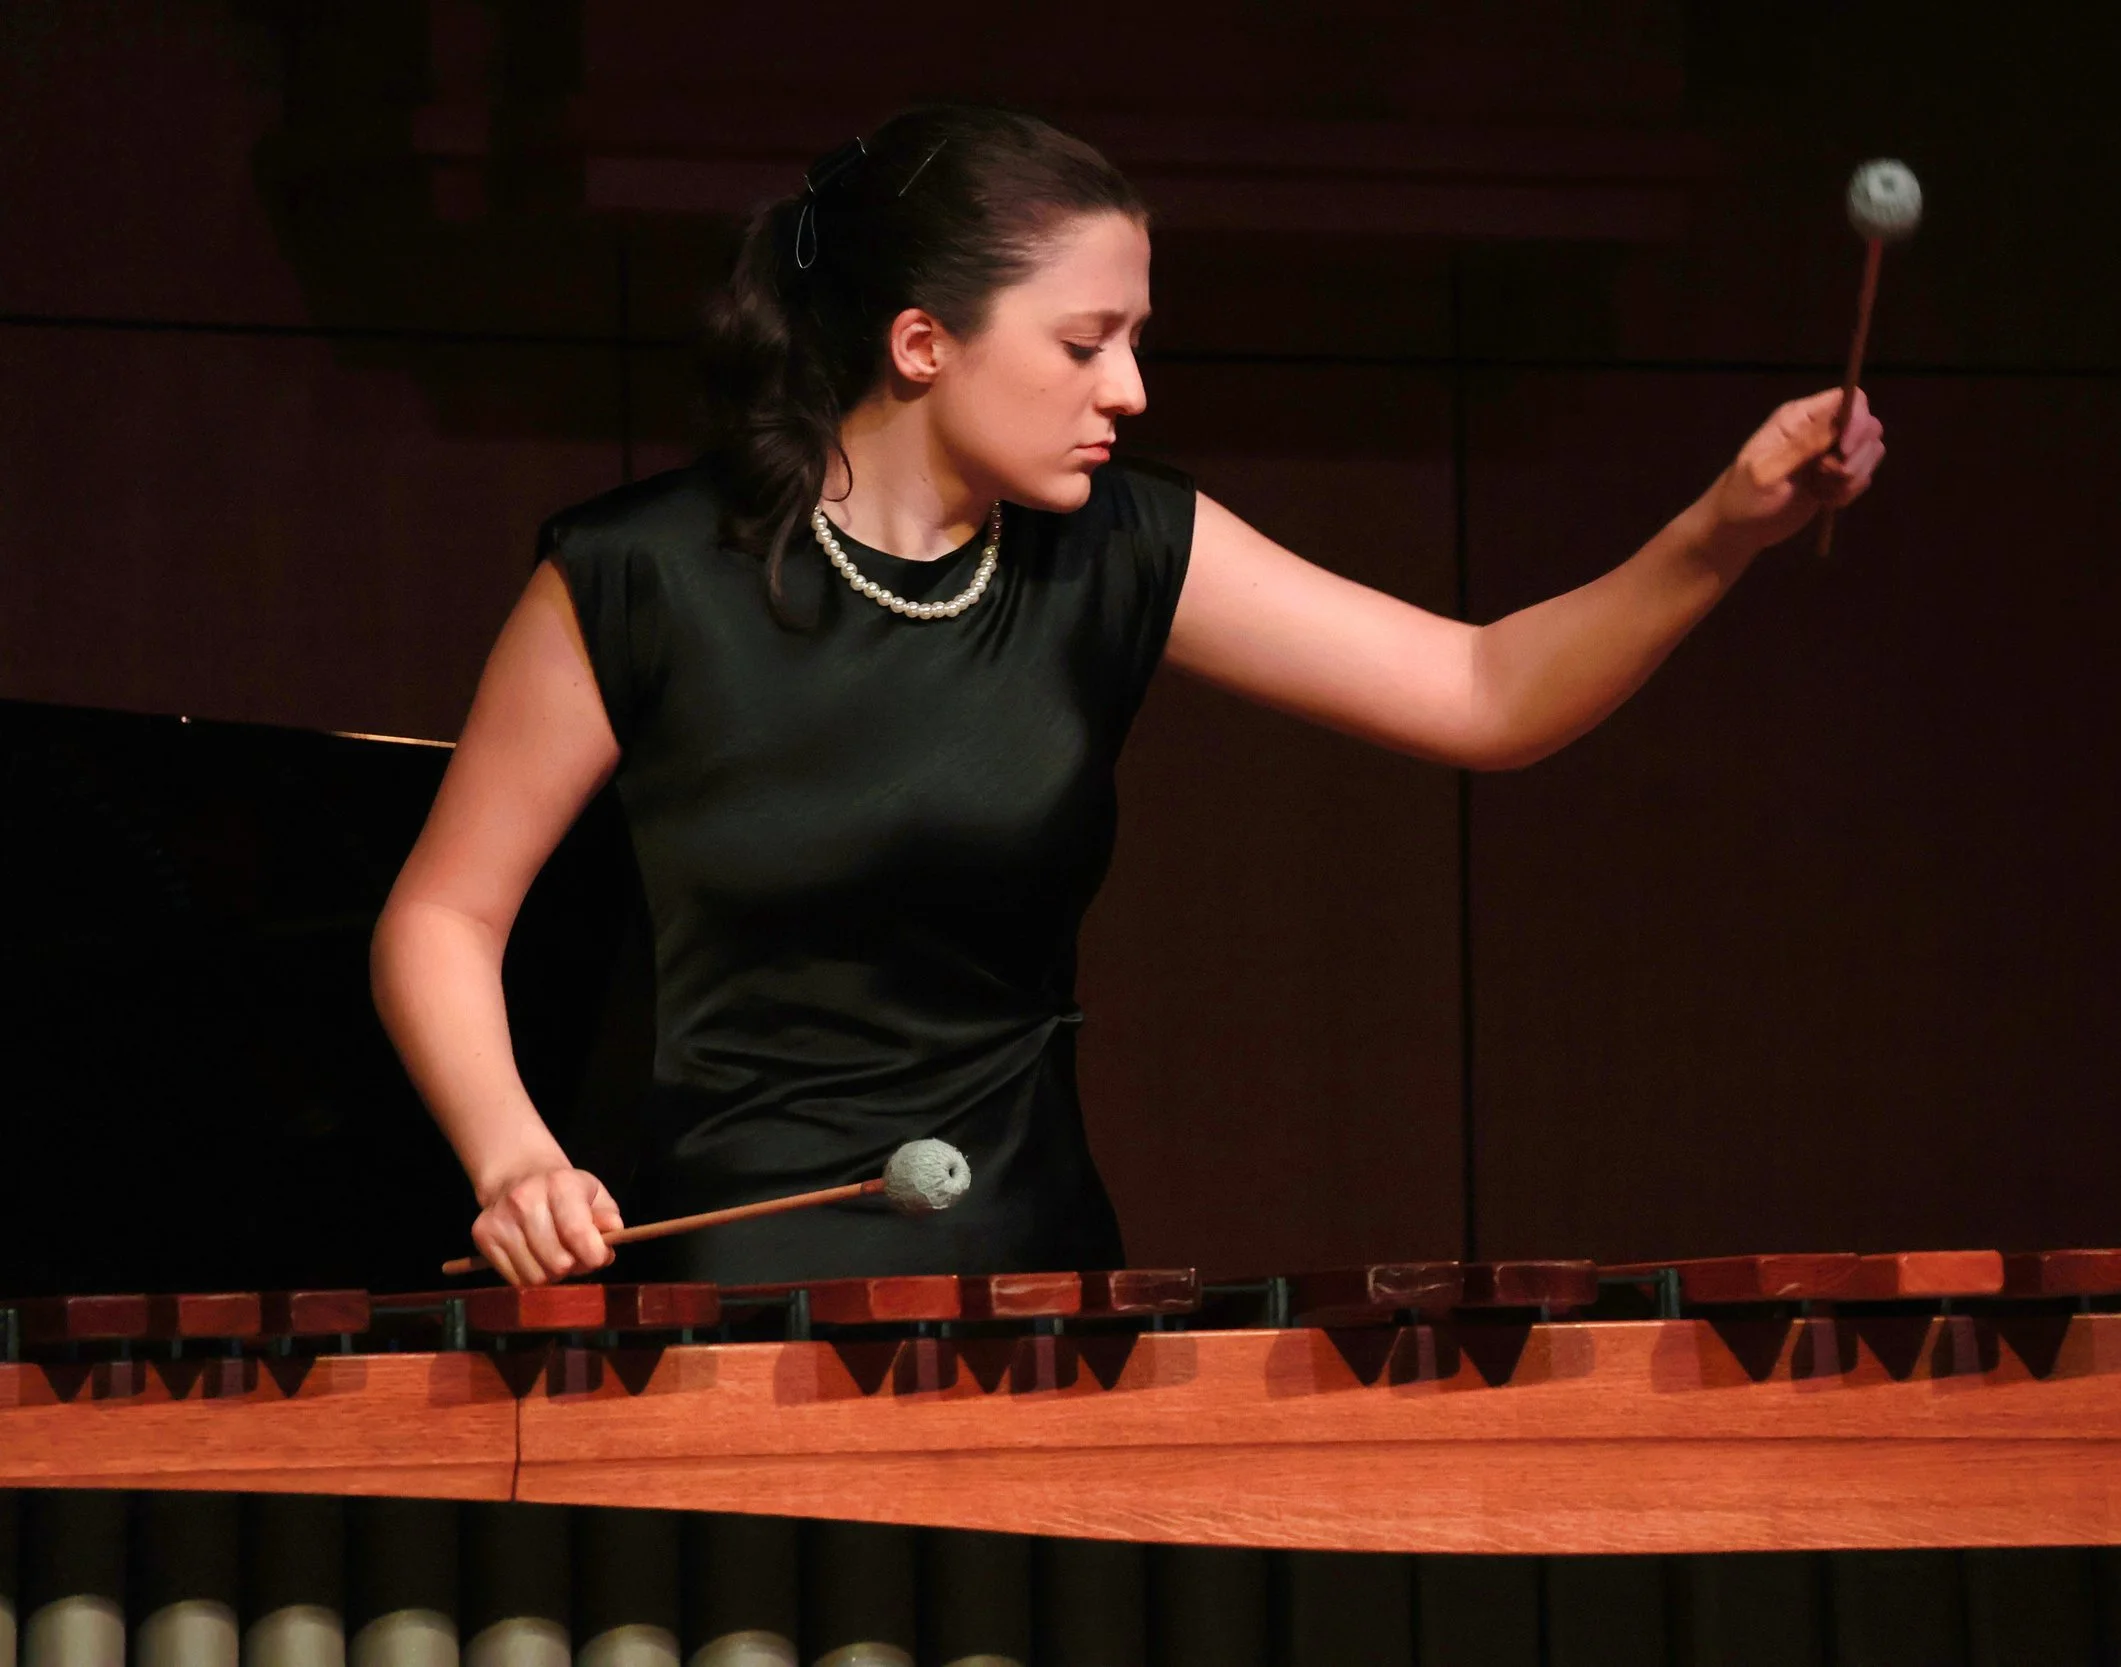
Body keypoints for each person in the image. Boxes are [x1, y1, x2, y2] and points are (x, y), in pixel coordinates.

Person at [369, 103, 1887, 1288]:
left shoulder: (1119, 548)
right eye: (1088, 343)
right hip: (714, 1272)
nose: (1133, 389)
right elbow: (443, 914)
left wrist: (1717, 533)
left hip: (1025, 1270)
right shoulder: (642, 578)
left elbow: (1484, 690)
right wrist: (514, 1159)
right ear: (921, 343)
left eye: (1136, 340)